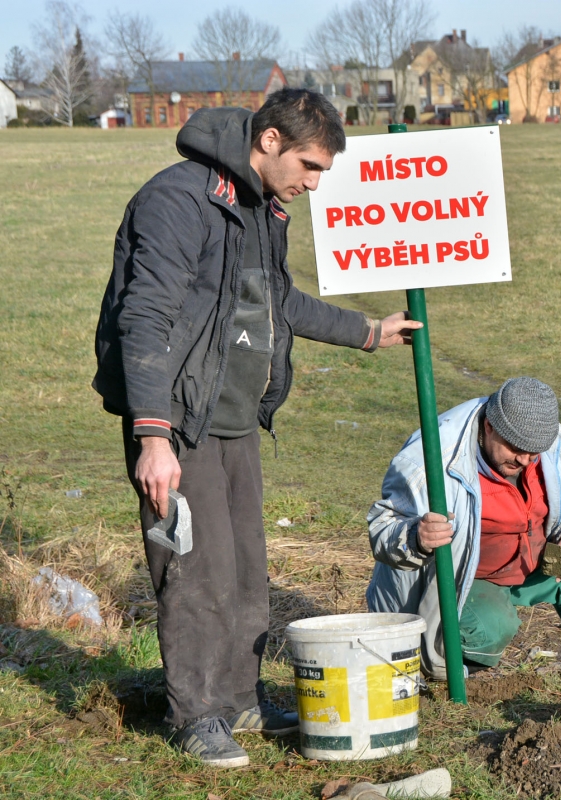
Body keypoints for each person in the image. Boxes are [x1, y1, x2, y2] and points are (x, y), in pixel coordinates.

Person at [92, 89, 423, 768]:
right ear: (269, 140)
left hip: (237, 416)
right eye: (309, 165)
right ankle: (196, 715)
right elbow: (144, 318)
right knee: (193, 571)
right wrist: (153, 437)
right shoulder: (179, 200)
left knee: (245, 571)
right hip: (179, 420)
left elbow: (276, 300)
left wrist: (365, 332)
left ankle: (240, 698)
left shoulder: (262, 208)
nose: (314, 182)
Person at [366, 378, 561, 683]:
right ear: (489, 427)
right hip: (467, 579)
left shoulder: (551, 441)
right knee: (492, 627)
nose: (525, 460)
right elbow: (383, 529)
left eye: (534, 453)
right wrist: (416, 538)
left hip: (533, 560)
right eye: (515, 449)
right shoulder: (431, 459)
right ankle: (441, 674)